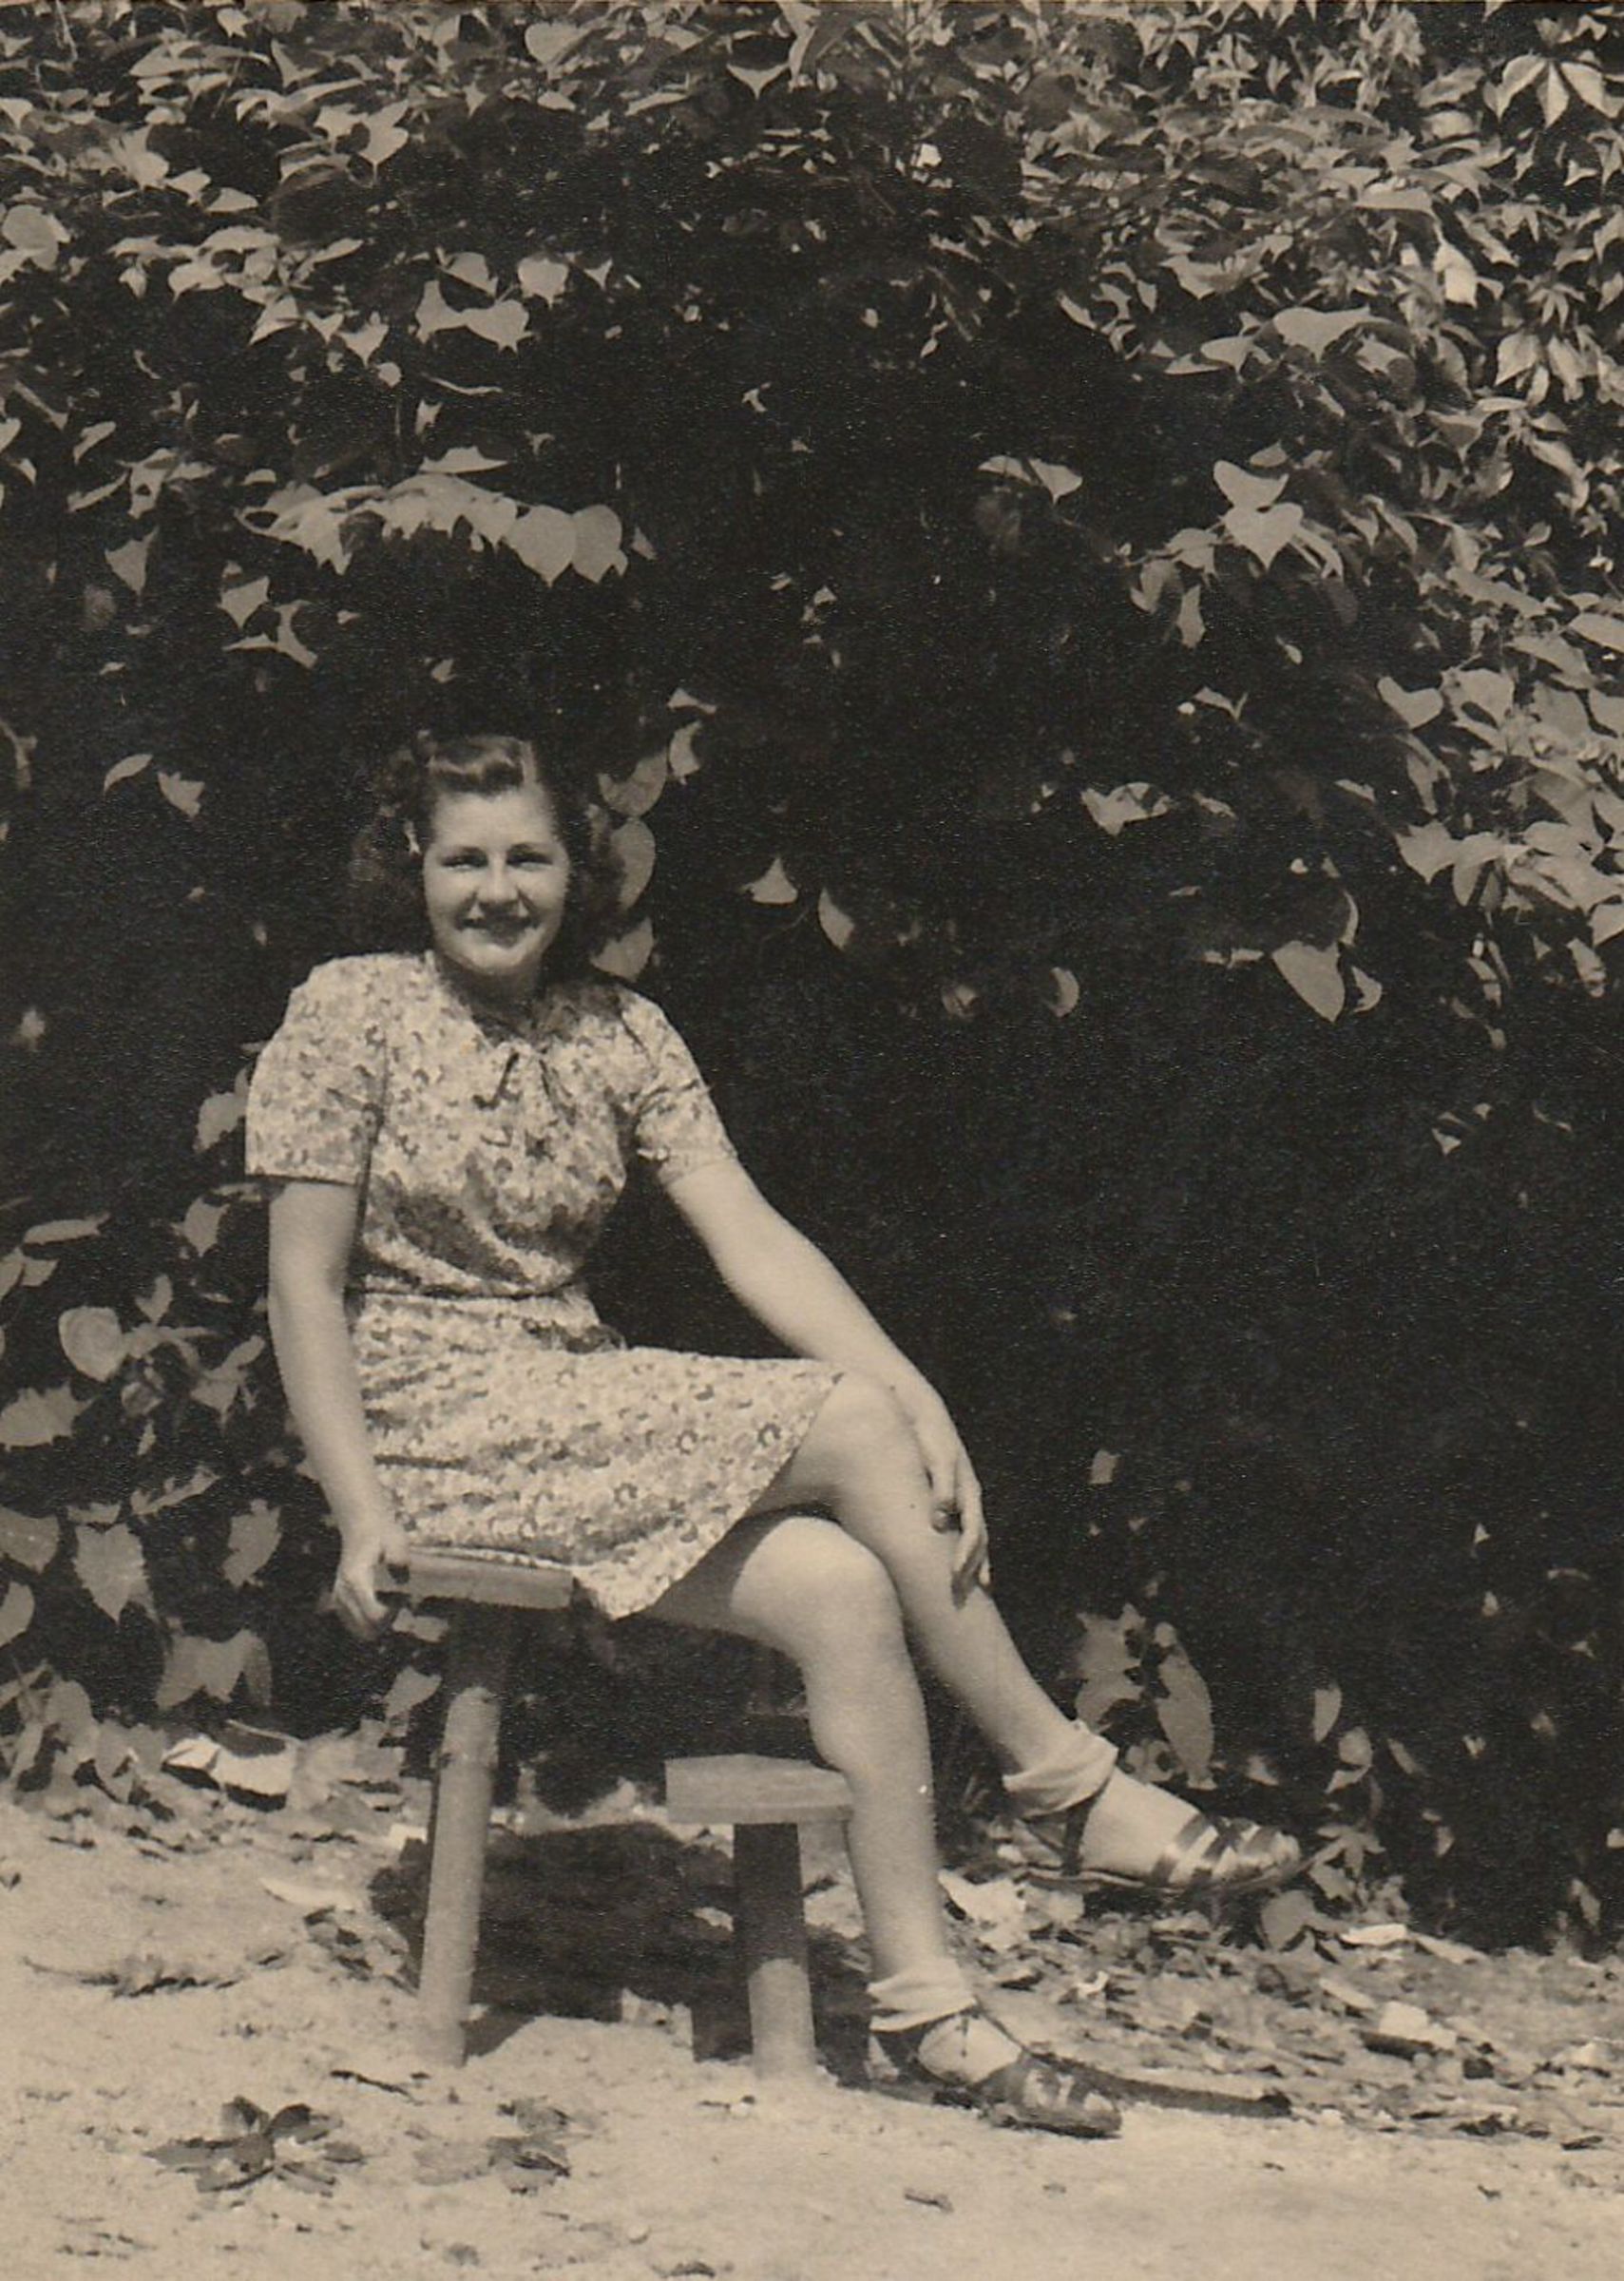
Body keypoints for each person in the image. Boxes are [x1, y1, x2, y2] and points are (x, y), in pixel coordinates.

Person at [246, 730, 1299, 2140]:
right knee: (852, 1424)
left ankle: (930, 2012)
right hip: (432, 1418)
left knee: (842, 1588)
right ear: (413, 873)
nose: (497, 890)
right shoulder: (349, 1012)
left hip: (570, 1404)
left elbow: (750, 1237)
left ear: (576, 873)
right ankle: (1067, 1786)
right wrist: (360, 1510)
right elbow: (303, 1289)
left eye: (528, 858)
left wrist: (915, 1395)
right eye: (463, 861)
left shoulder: (621, 1034)